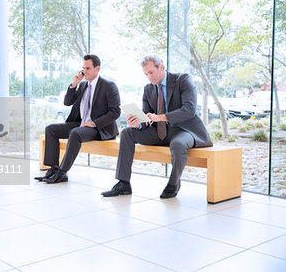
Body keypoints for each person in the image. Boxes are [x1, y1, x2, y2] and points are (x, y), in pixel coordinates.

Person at [101, 55, 212, 198]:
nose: (149, 77)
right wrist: (137, 123)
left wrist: (160, 117)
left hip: (184, 130)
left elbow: (189, 109)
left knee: (178, 145)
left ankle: (173, 183)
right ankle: (123, 183)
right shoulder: (148, 89)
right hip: (159, 132)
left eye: (151, 72)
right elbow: (146, 117)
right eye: (146, 74)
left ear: (161, 67)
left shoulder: (182, 80)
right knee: (128, 133)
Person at [35, 54, 121, 184]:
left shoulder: (109, 86)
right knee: (51, 129)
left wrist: (94, 123)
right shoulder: (83, 85)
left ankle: (62, 172)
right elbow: (67, 102)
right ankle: (53, 168)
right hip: (81, 123)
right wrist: (74, 84)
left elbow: (115, 112)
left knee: (75, 133)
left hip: (98, 127)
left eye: (88, 68)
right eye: (83, 68)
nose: (84, 71)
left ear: (97, 68)